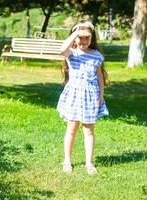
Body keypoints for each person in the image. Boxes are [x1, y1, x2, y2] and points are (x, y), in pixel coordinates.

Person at [57, 20, 109, 175]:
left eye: (87, 37)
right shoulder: (72, 54)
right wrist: (76, 32)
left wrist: (101, 95)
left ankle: (89, 163)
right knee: (71, 129)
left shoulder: (97, 56)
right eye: (80, 37)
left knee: (89, 131)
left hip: (90, 97)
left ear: (92, 38)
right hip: (74, 95)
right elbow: (62, 49)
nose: (83, 41)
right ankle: (67, 160)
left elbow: (99, 76)